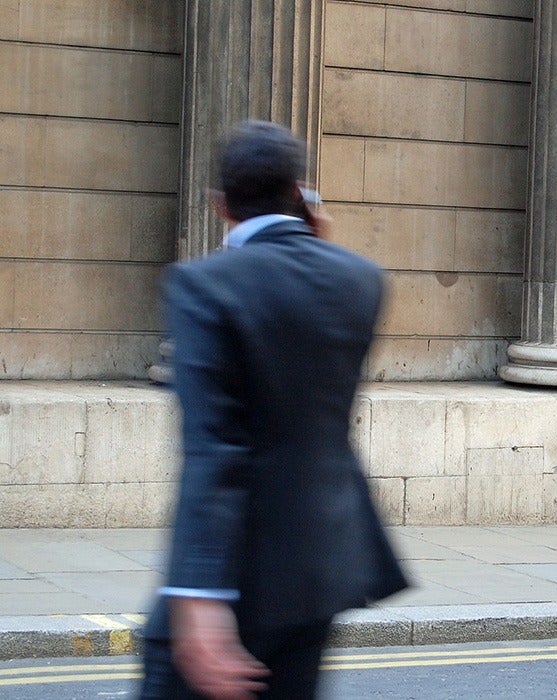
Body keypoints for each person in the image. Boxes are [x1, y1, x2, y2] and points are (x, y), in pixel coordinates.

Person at [140, 120, 408, 699]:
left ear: (219, 205)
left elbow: (214, 449)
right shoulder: (361, 281)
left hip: (234, 578)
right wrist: (313, 233)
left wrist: (199, 595)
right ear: (300, 193)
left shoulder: (203, 285)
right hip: (318, 573)